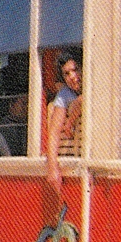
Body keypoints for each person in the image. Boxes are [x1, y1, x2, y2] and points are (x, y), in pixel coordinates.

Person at [45, 50, 82, 195]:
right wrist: (53, 168)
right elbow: (54, 132)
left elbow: (82, 100)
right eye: (66, 74)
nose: (72, 77)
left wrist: (70, 122)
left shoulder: (94, 85)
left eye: (75, 70)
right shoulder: (65, 94)